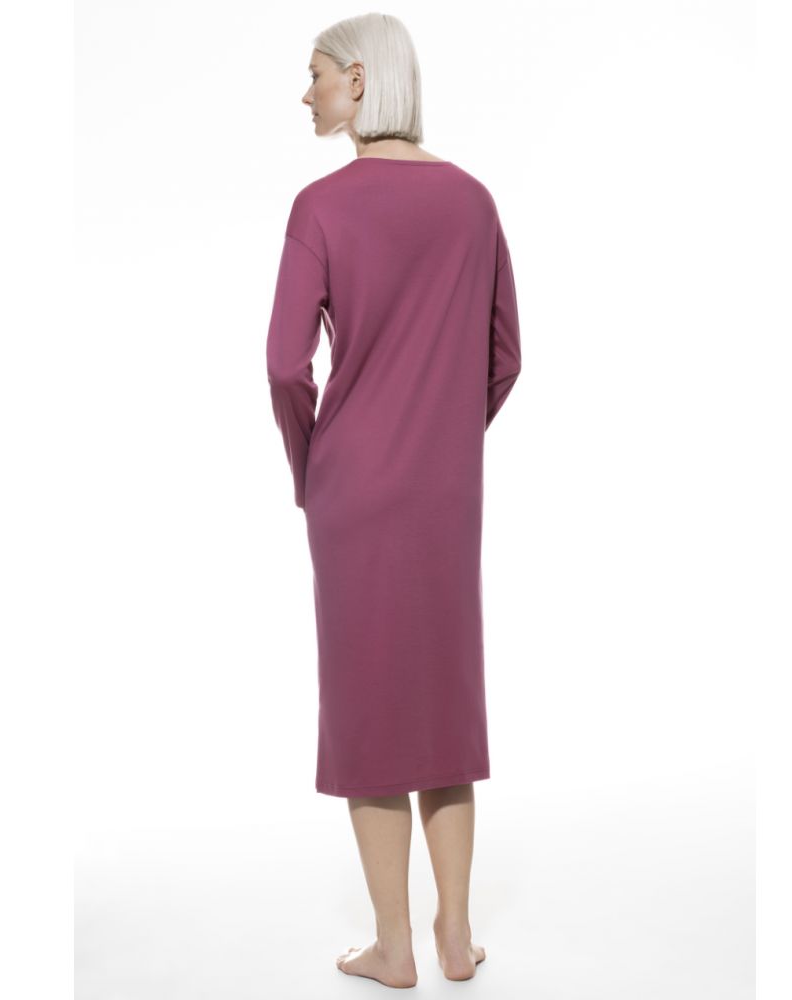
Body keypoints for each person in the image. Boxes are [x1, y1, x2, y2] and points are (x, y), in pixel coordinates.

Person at [265, 13, 522, 989]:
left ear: (361, 81)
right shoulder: (474, 202)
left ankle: (392, 946)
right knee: (445, 703)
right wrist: (441, 439)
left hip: (354, 492)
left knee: (370, 707)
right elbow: (506, 356)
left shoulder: (320, 207)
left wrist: (315, 462)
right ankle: (455, 936)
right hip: (445, 495)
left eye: (316, 74)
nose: (306, 93)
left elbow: (284, 364)